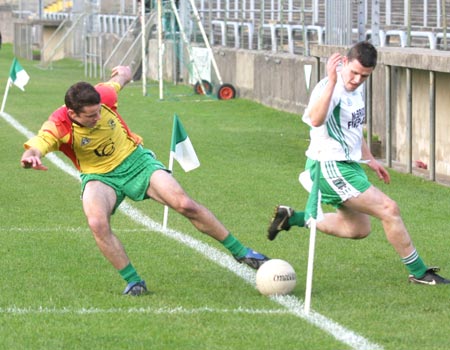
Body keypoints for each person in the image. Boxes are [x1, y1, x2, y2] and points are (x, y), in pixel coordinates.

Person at [21, 66, 269, 296]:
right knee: (97, 222)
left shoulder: (104, 96)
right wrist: (31, 155)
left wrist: (126, 72)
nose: (97, 117)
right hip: (99, 176)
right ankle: (133, 281)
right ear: (73, 113)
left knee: (184, 204)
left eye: (99, 112)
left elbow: (120, 80)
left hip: (136, 162)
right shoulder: (59, 124)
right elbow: (40, 143)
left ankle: (242, 253)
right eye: (90, 116)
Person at [267, 41, 449, 285]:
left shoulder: (357, 87)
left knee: (358, 230)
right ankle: (419, 273)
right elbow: (316, 120)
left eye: (364, 76)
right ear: (344, 62)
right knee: (389, 209)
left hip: (349, 165)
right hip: (329, 164)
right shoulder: (330, 87)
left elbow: (353, 129)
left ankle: (292, 218)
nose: (356, 80)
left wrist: (370, 159)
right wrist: (332, 81)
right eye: (353, 73)